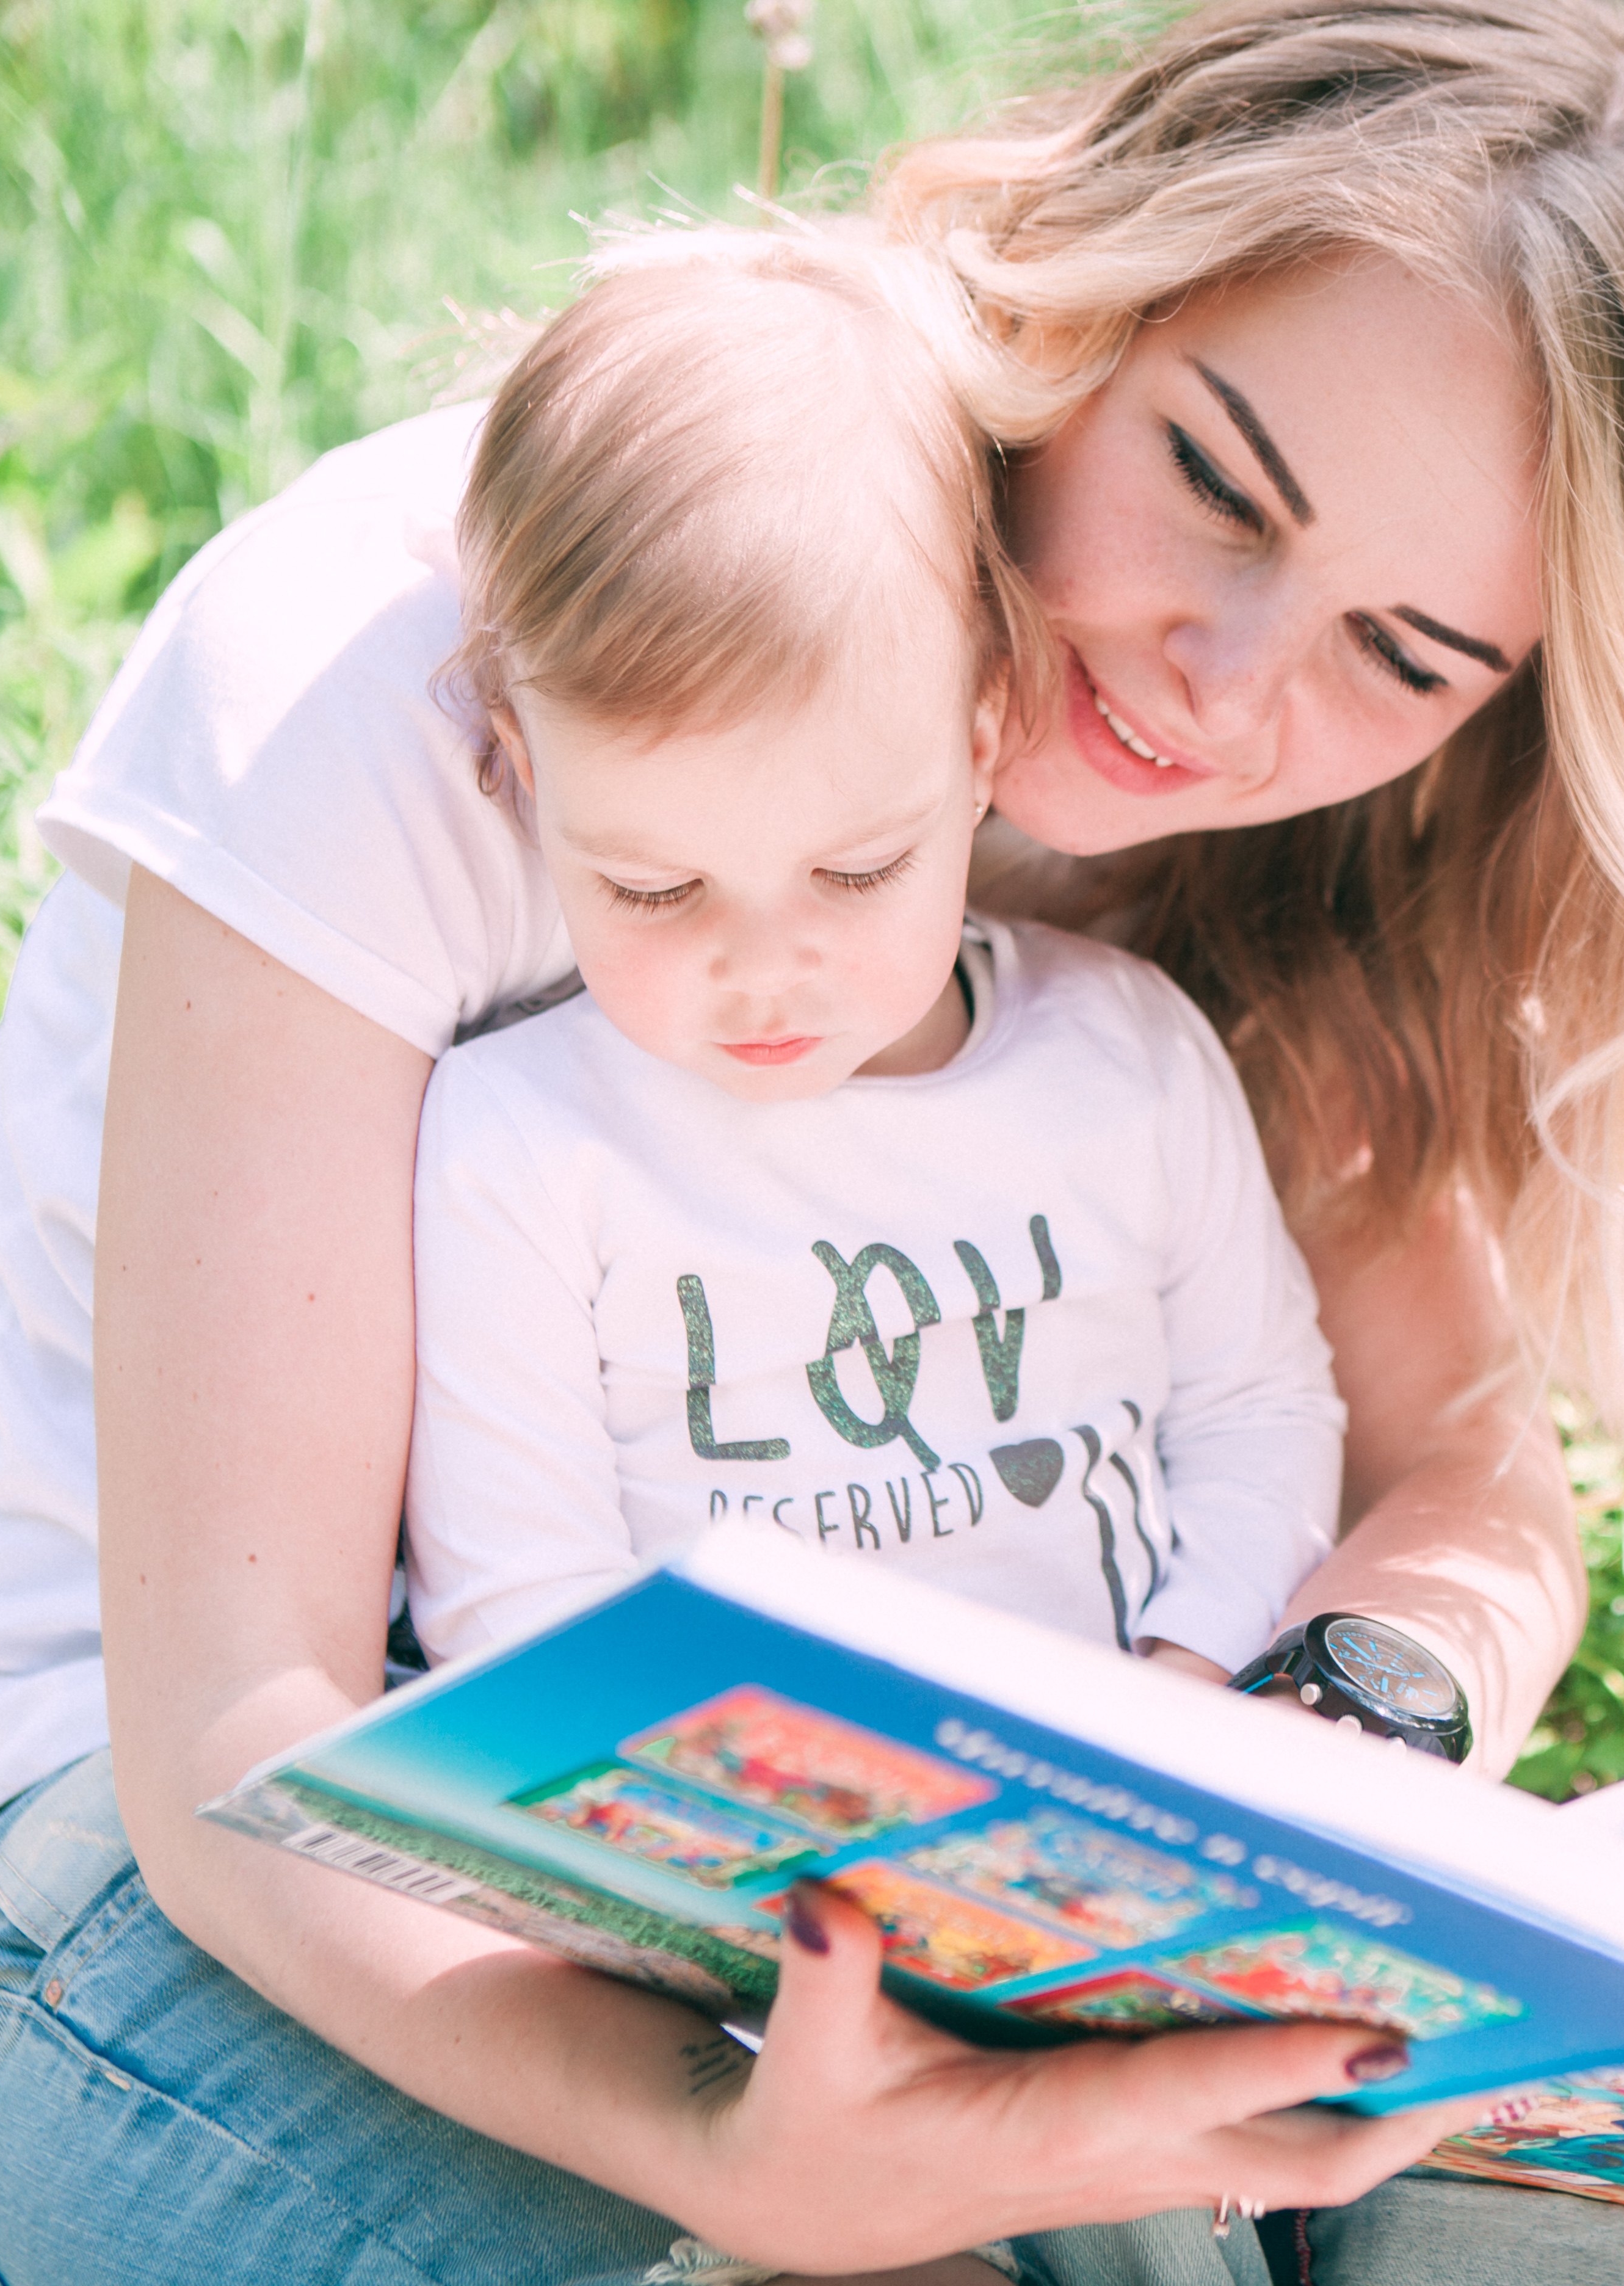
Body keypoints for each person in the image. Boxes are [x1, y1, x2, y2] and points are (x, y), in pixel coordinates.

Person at [0, 4, 1624, 2281]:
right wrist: (742, 2163)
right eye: (1218, 487)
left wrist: (1326, 1735)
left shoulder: (1258, 850)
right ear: (1082, 291)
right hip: (208, 1884)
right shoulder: (418, 669)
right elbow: (243, 1733)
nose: (1227, 685)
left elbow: (1464, 1478)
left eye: (1400, 652)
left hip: (927, 1913)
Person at [399, 239, 1343, 1687]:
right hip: (713, 1855)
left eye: (857, 873)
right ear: (530, 781)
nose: (765, 970)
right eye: (653, 887)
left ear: (979, 743)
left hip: (1107, 1820)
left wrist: (1188, 1692)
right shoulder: (521, 1151)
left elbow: (1259, 1413)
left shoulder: (1127, 1066)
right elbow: (520, 1605)